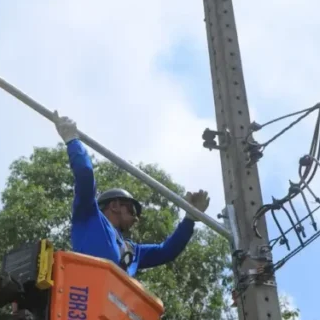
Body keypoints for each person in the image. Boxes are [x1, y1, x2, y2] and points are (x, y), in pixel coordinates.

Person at [54, 112, 210, 277]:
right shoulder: (89, 216)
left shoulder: (132, 250)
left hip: (112, 300)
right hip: (85, 293)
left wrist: (189, 220)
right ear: (114, 205)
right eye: (132, 211)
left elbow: (167, 251)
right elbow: (85, 174)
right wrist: (72, 140)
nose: (136, 218)